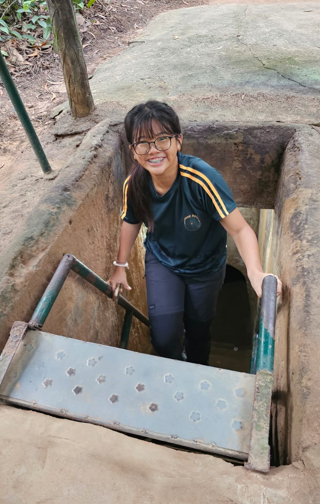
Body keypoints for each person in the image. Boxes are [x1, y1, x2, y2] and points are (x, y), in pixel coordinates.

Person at [107, 100, 281, 364]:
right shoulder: (135, 184)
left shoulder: (202, 178)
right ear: (133, 151)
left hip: (206, 268)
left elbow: (240, 229)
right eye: (143, 143)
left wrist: (255, 272)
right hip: (163, 262)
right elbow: (131, 221)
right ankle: (175, 367)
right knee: (164, 337)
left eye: (162, 140)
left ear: (178, 141)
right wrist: (120, 265)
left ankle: (198, 367)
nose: (153, 150)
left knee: (198, 331)